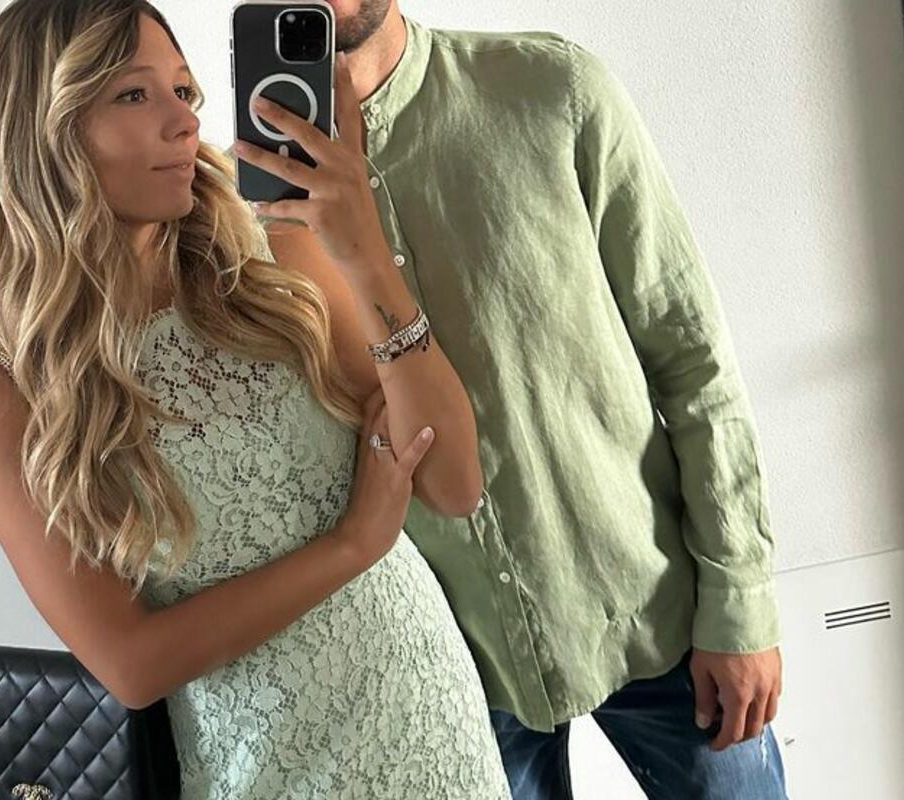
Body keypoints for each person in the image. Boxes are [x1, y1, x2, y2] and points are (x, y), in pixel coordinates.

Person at [0, 1, 512, 798]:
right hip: (265, 770)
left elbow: (454, 483)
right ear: (45, 128)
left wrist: (366, 253)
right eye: (134, 95)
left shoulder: (273, 252)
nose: (184, 120)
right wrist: (353, 544)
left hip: (428, 718)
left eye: (184, 91)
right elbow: (133, 663)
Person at [240, 2, 789, 798]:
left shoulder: (552, 90)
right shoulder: (246, 209)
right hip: (457, 676)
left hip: (659, 615)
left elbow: (691, 355)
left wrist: (740, 602)